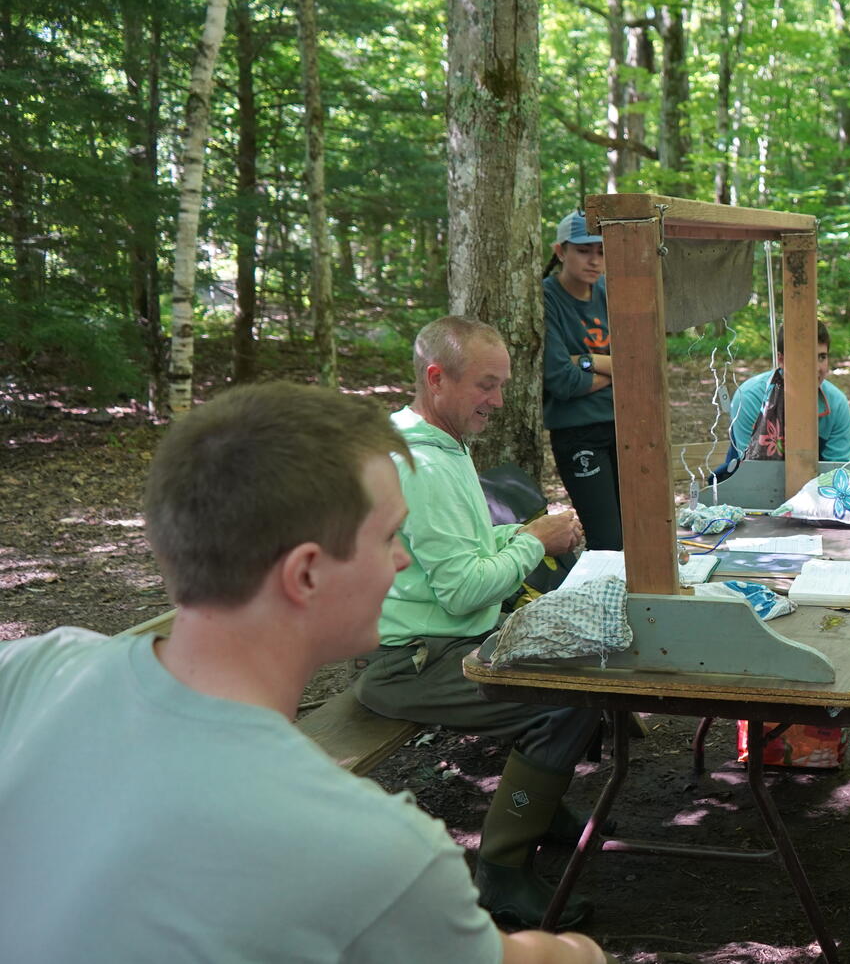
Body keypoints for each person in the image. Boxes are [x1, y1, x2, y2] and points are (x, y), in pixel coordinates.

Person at [0, 382, 606, 964]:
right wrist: (581, 952)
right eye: (389, 536)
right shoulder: (373, 848)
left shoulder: (35, 668)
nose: (401, 559)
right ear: (306, 575)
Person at [354, 316, 604, 929]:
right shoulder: (422, 463)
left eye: (502, 386)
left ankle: (536, 811)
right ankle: (502, 869)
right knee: (566, 700)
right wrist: (533, 541)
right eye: (485, 387)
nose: (497, 401)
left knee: (592, 664)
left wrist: (516, 533)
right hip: (412, 661)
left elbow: (462, 546)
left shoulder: (438, 444)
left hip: (445, 642)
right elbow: (464, 591)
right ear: (436, 379)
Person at [543, 209, 622, 551]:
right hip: (578, 432)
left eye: (602, 251)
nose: (594, 260)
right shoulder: (547, 299)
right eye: (584, 250)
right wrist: (619, 370)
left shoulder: (611, 292)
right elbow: (562, 381)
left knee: (640, 528)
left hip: (624, 425)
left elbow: (642, 361)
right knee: (609, 539)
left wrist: (587, 362)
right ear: (561, 251)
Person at [727, 319, 850, 464]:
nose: (816, 368)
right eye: (804, 357)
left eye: (822, 357)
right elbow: (749, 470)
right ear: (781, 359)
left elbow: (839, 471)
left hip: (818, 484)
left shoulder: (836, 404)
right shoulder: (749, 398)